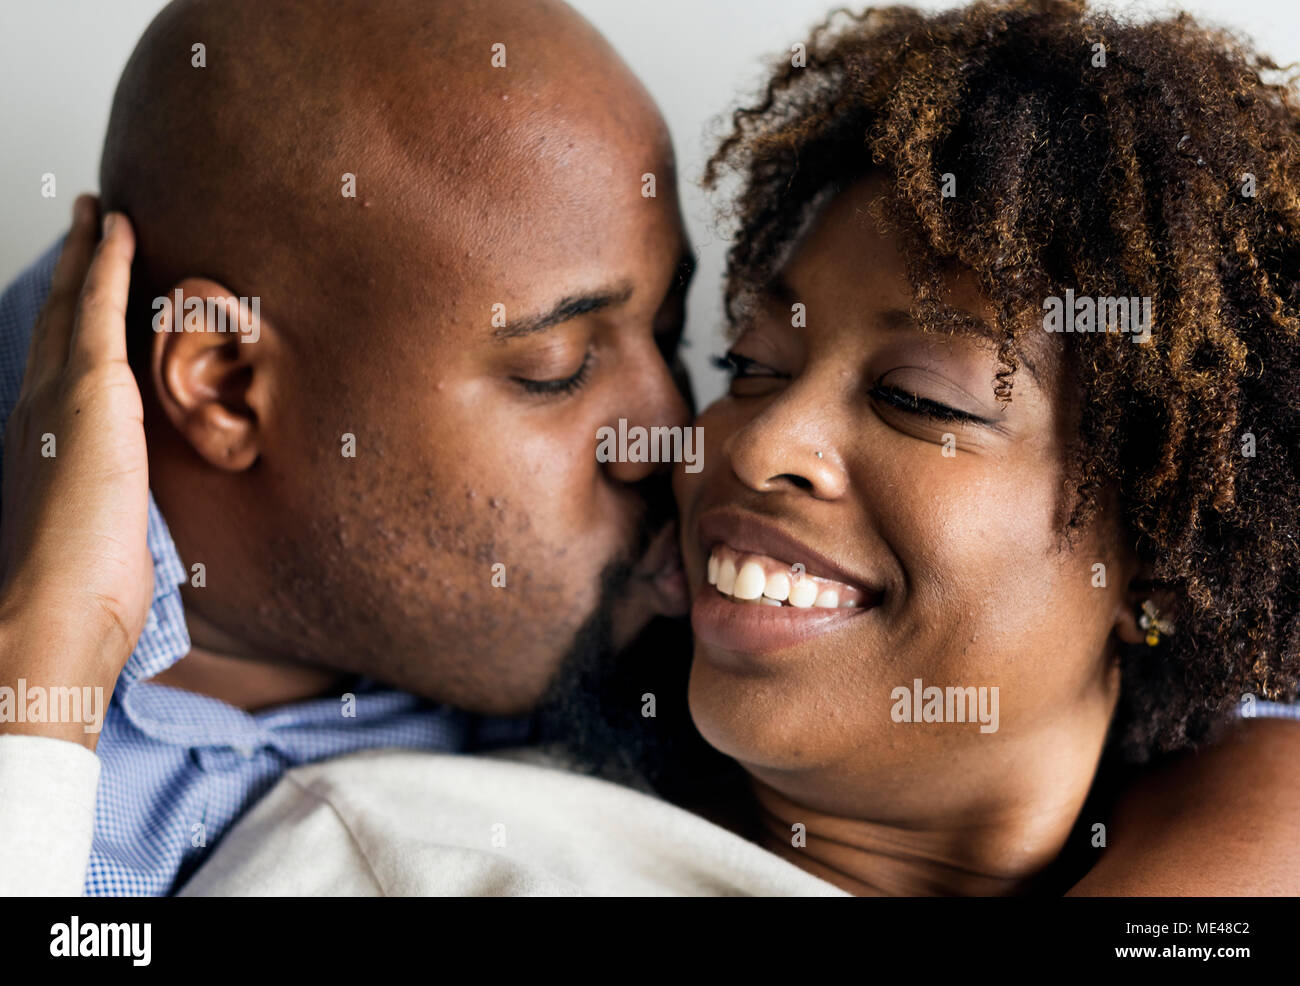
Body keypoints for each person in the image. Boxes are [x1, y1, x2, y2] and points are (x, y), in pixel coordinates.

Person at [2, 0, 1297, 897]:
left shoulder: (649, 615)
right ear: (221, 386)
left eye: (693, 342)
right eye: (557, 366)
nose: (701, 438)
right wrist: (42, 676)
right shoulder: (414, 848)